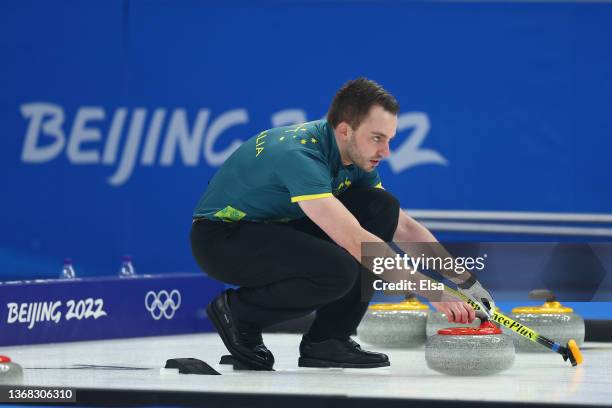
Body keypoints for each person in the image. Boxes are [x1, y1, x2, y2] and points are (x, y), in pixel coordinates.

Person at [190, 78, 495, 371]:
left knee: (382, 208)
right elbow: (355, 241)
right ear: (345, 130)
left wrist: (466, 281)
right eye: (377, 138)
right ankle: (239, 313)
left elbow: (404, 228)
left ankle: (327, 340)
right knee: (338, 270)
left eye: (389, 139)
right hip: (222, 240)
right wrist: (435, 293)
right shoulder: (301, 156)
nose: (386, 152)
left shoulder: (355, 157)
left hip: (276, 228)